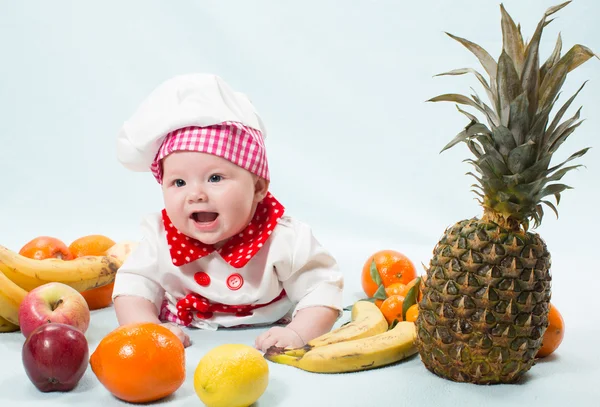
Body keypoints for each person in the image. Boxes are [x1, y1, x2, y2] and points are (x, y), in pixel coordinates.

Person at [112, 73, 344, 352]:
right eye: (179, 182)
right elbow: (132, 287)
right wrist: (150, 330)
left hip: (268, 329)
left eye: (215, 178)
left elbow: (321, 289)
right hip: (190, 335)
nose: (196, 194)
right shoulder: (162, 238)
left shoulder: (281, 239)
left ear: (258, 187)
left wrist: (298, 333)